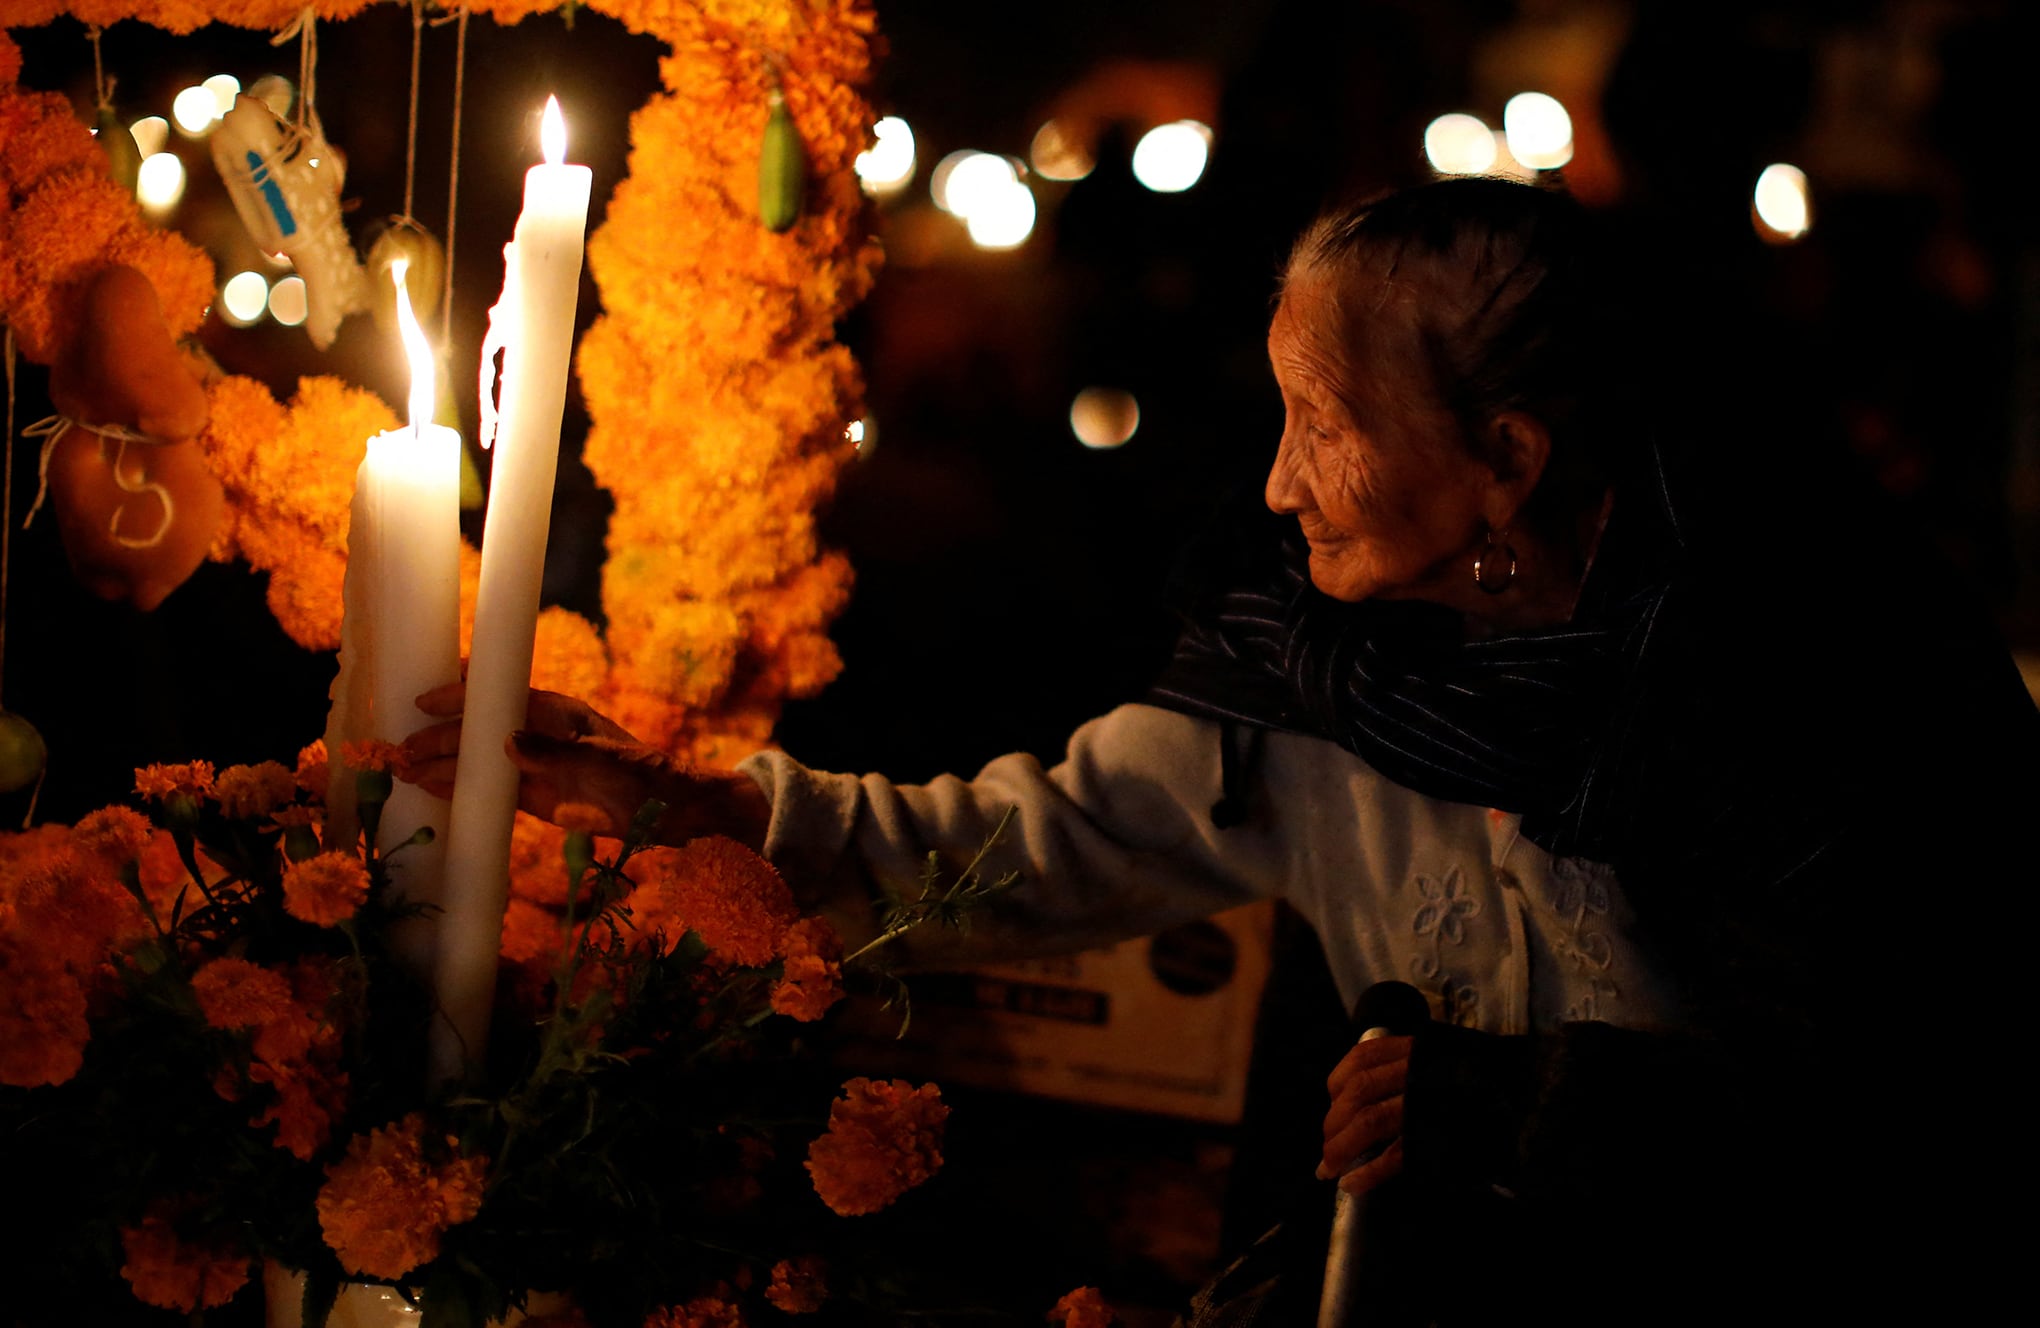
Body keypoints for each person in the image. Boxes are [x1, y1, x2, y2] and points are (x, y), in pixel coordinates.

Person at [405, 178, 2037, 1324]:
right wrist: (693, 809)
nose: (1276, 486)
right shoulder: (1318, 676)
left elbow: (1918, 1113)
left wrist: (1532, 1109)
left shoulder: (1800, 696)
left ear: (1507, 459)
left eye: (1325, 423)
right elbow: (1017, 850)